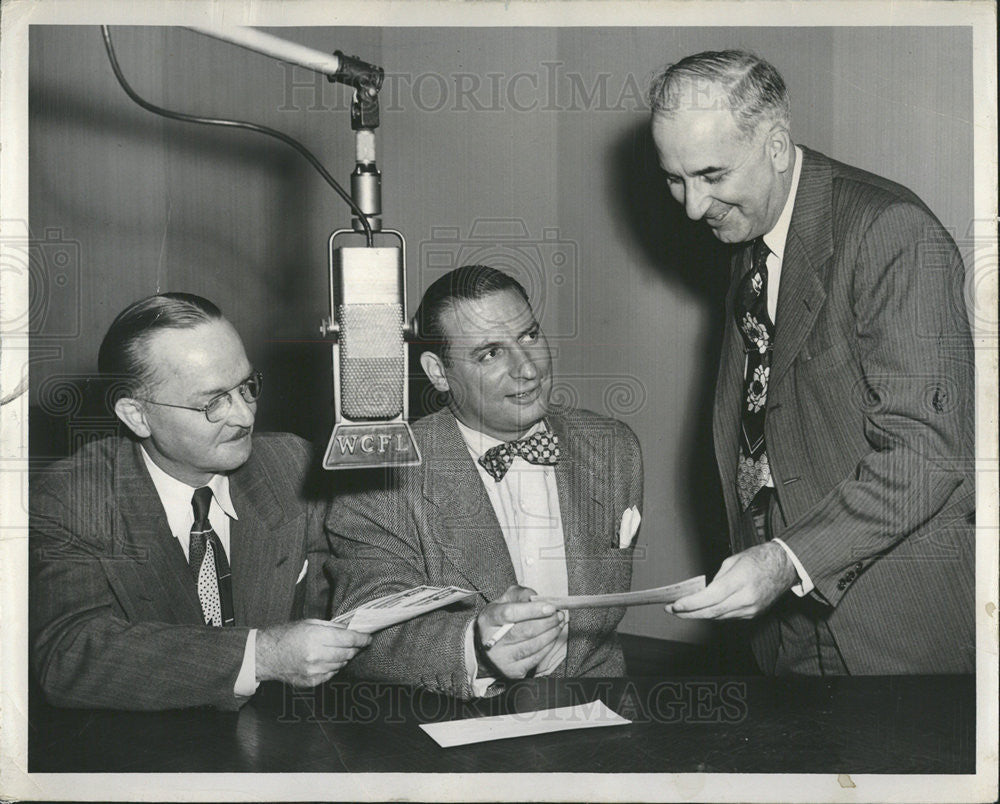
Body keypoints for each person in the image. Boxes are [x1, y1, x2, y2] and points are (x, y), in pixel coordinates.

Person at [648, 50, 974, 674]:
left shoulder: (891, 231)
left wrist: (782, 561)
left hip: (895, 633)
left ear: (774, 144)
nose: (692, 207)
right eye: (675, 178)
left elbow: (927, 453)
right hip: (786, 632)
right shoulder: (750, 239)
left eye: (712, 175)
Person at [29, 293, 370, 710]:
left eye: (247, 387)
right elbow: (67, 654)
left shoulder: (292, 466)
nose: (245, 416)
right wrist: (259, 655)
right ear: (136, 415)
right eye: (212, 402)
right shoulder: (73, 498)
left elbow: (351, 592)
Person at [325, 265, 643, 698]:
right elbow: (363, 638)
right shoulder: (383, 475)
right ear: (438, 373)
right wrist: (475, 641)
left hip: (597, 712)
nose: (528, 369)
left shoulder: (614, 449)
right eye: (490, 353)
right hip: (454, 732)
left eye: (529, 336)